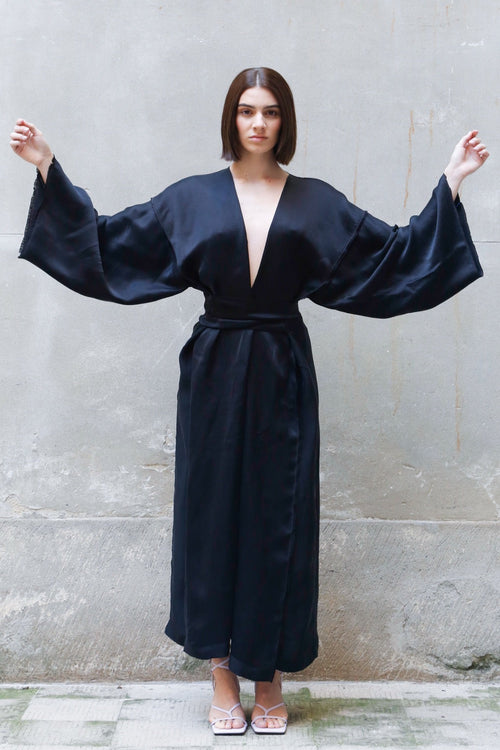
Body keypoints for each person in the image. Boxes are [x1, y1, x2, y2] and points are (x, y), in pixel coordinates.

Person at [10, 67, 489, 735]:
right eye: (245, 110)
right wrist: (47, 167)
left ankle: (270, 679)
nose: (257, 122)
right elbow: (110, 242)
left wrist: (452, 181)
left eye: (269, 111)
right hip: (214, 370)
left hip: (283, 370)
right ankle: (222, 678)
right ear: (230, 119)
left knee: (278, 519)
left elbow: (393, 258)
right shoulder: (192, 199)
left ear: (284, 120)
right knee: (211, 519)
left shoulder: (316, 203)